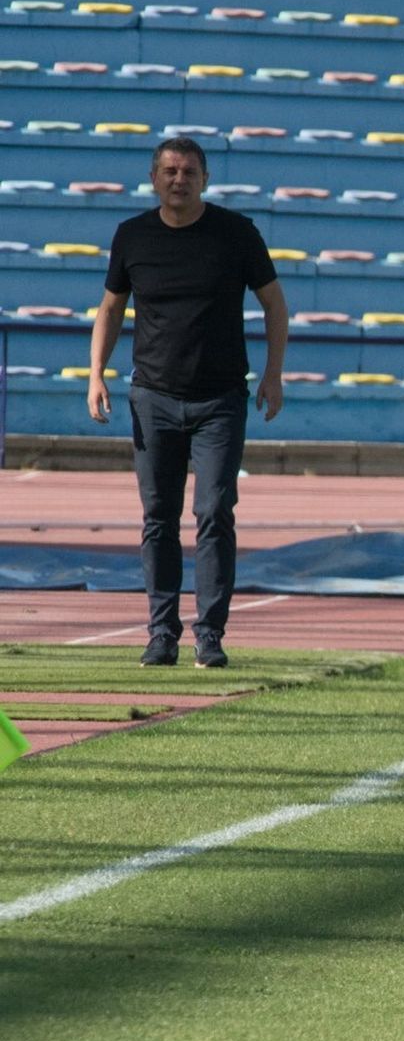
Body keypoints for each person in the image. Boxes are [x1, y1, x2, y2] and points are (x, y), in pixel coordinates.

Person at [85, 136, 289, 669]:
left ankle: (211, 634)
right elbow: (110, 309)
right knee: (158, 517)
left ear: (206, 179)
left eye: (190, 171)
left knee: (215, 511)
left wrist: (273, 375)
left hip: (220, 399)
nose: (180, 179)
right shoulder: (132, 236)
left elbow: (274, 303)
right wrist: (96, 375)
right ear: (154, 179)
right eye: (170, 171)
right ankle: (161, 633)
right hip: (153, 397)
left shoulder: (236, 233)